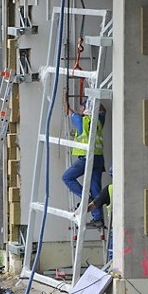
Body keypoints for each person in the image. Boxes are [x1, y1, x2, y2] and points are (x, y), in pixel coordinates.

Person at [62, 97, 106, 228]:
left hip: (87, 159)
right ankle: (98, 218)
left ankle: (86, 198)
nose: (79, 108)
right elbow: (104, 110)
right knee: (95, 188)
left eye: (82, 106)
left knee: (67, 177)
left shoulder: (81, 120)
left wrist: (65, 97)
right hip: (98, 159)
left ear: (86, 109)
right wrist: (95, 100)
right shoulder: (98, 121)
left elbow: (67, 110)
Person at [88, 166, 114, 262]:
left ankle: (114, 275)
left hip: (116, 230)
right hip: (132, 229)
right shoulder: (131, 187)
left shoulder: (110, 189)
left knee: (113, 258)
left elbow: (93, 205)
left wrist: (78, 213)